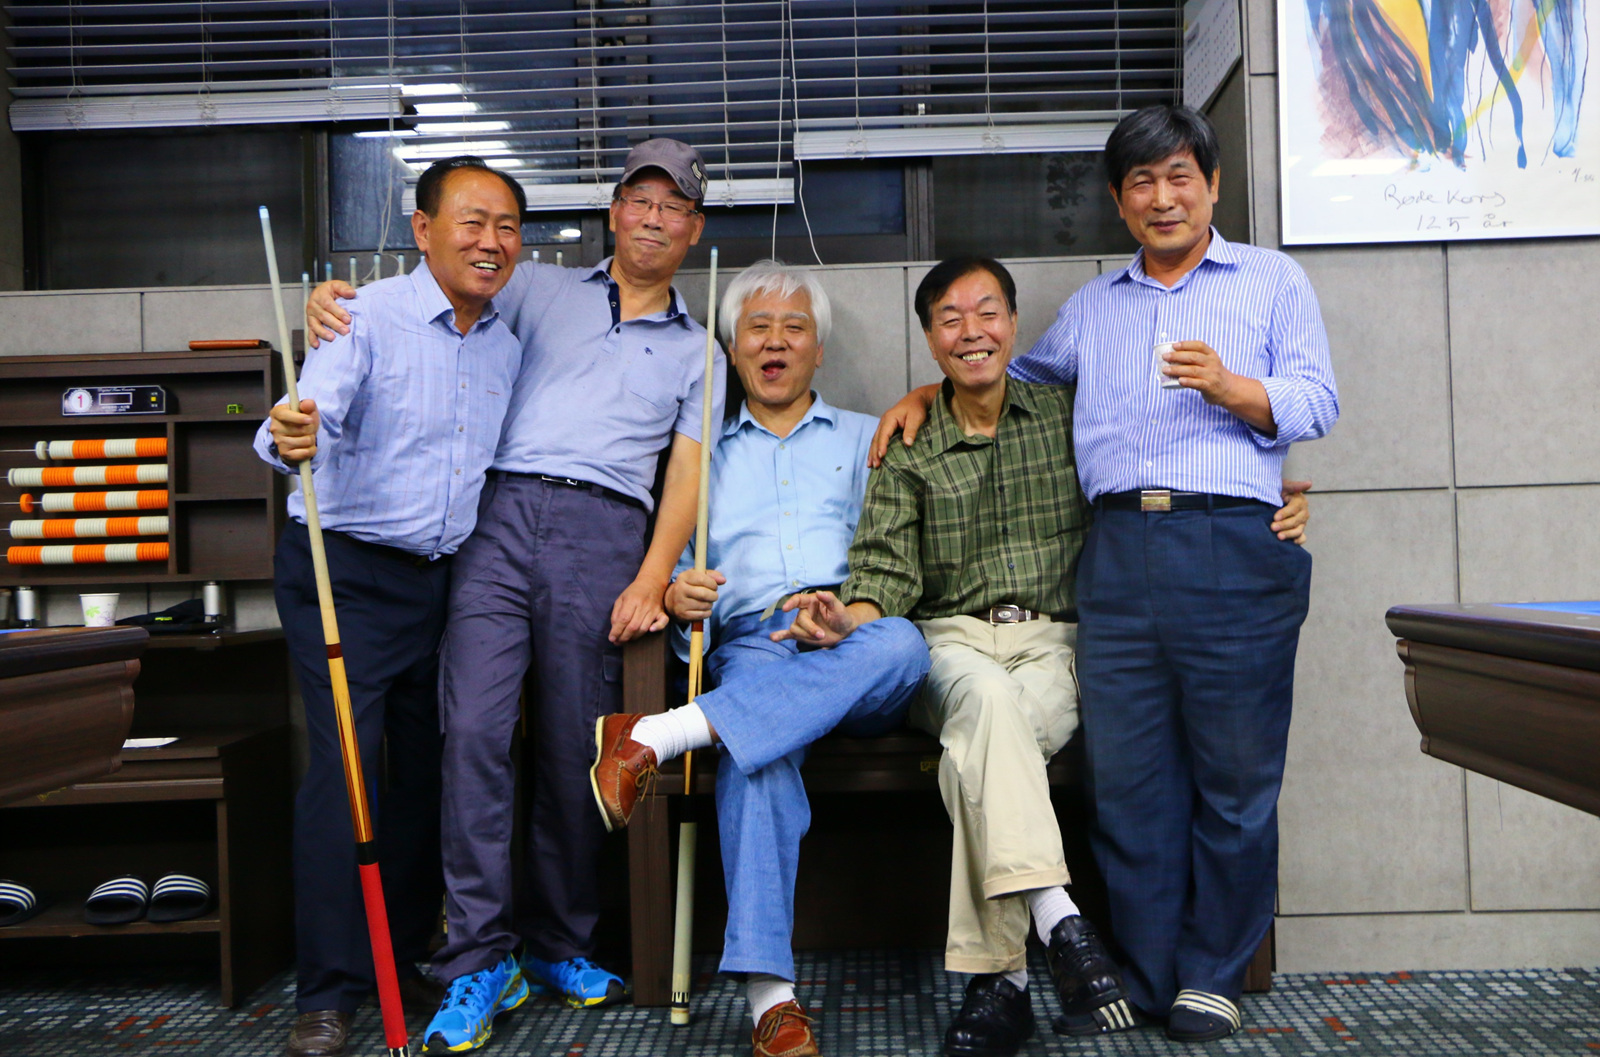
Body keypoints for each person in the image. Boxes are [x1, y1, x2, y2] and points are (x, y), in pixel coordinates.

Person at [873, 104, 1339, 1043]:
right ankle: (1145, 969)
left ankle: (1213, 971)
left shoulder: (1271, 280)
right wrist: (928, 388)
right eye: (1141, 182)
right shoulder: (1093, 308)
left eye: (1179, 177)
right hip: (1117, 552)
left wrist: (1231, 389)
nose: (1162, 198)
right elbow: (1010, 380)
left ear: (1212, 184)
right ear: (1121, 203)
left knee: (1234, 776)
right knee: (1130, 780)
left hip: (1233, 542)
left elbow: (1317, 401)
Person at [307, 138, 726, 1054]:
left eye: (675, 207)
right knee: (473, 732)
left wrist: (652, 575)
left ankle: (559, 941)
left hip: (608, 533)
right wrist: (336, 305)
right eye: (641, 200)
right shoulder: (535, 286)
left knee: (579, 744)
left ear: (694, 230)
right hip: (496, 517)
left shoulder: (700, 347)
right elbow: (438, 296)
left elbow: (686, 475)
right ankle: (476, 956)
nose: (654, 218)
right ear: (614, 211)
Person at [588, 260, 931, 1057]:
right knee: (759, 752)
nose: (776, 343)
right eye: (758, 328)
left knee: (906, 644)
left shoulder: (869, 438)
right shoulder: (699, 456)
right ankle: (771, 999)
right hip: (754, 647)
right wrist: (679, 595)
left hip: (854, 638)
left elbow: (901, 557)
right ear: (734, 349)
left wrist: (846, 613)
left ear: (819, 349)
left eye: (794, 328)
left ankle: (660, 734)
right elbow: (672, 577)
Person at [256, 156, 525, 1057]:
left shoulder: (505, 344)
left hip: (441, 582)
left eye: (507, 227)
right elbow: (307, 411)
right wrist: (291, 428)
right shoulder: (361, 315)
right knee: (347, 775)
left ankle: (399, 953)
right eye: (472, 221)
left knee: (424, 774)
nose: (491, 241)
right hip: (344, 574)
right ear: (422, 229)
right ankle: (325, 992)